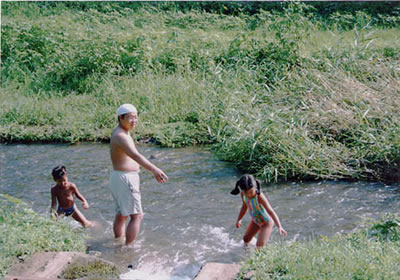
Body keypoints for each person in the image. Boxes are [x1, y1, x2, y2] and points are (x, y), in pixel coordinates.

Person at [110, 103, 168, 246]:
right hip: (126, 178)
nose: (134, 121)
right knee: (137, 216)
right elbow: (135, 155)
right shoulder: (121, 136)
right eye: (130, 118)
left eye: (136, 118)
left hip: (119, 177)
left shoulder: (120, 132)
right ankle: (129, 249)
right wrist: (155, 169)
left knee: (122, 214)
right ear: (120, 117)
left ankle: (118, 242)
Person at [231, 174, 287, 248]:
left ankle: (261, 255)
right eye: (246, 193)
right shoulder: (243, 195)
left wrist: (279, 226)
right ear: (242, 190)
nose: (249, 195)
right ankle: (247, 254)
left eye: (251, 192)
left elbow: (270, 211)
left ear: (255, 187)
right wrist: (239, 219)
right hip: (256, 221)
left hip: (266, 223)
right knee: (246, 239)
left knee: (259, 246)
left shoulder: (259, 196)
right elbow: (244, 207)